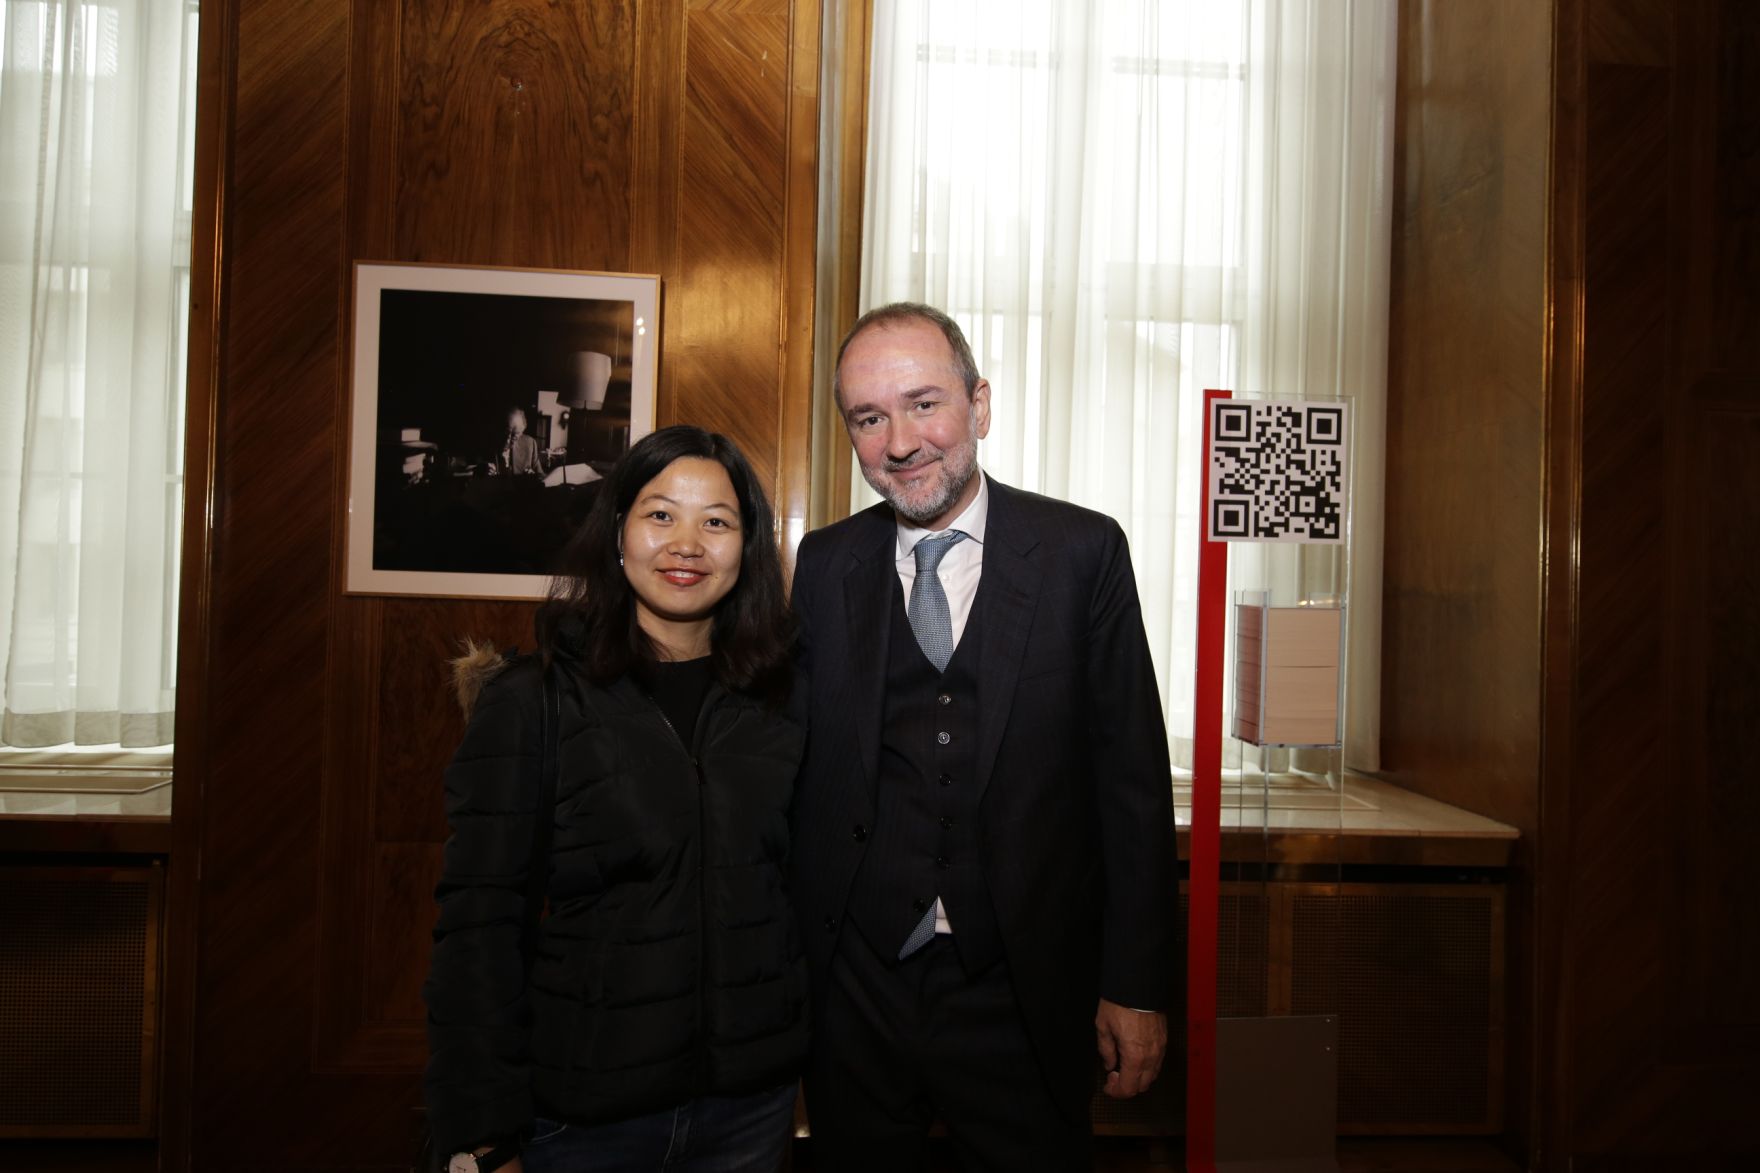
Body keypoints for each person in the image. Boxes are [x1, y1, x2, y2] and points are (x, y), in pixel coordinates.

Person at [789, 303, 1179, 1170]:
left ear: (981, 405)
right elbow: (797, 770)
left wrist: (1137, 985)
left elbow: (1133, 787)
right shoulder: (825, 564)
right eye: (869, 417)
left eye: (925, 403)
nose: (900, 440)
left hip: (1023, 985)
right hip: (857, 987)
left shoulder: (1082, 553)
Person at [424, 425, 808, 1173]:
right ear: (617, 533)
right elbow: (477, 925)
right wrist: (483, 1128)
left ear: (748, 546)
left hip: (749, 1115)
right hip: (580, 1123)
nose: (686, 543)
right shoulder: (532, 699)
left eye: (717, 521)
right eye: (660, 514)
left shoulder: (783, 700)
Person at [497, 407, 544, 476]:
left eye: (515, 435)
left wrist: (534, 476)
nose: (508, 440)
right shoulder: (490, 441)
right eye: (507, 432)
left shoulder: (530, 443)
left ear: (522, 431)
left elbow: (541, 475)